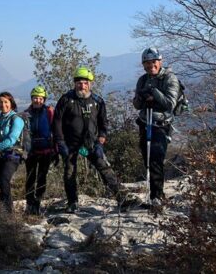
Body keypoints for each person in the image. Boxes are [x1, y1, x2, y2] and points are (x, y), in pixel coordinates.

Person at [54, 67, 130, 213]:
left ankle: (122, 197)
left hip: (91, 143)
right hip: (70, 143)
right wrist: (60, 142)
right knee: (69, 172)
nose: (82, 86)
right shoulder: (66, 100)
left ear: (90, 84)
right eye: (79, 83)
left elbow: (103, 123)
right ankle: (72, 202)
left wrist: (102, 139)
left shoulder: (97, 101)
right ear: (74, 83)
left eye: (85, 83)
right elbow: (57, 122)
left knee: (104, 167)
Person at [133, 48, 180, 209]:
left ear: (160, 61)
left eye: (154, 62)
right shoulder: (142, 79)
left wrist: (154, 92)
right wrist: (142, 97)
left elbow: (170, 103)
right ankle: (156, 194)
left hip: (161, 125)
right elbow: (136, 104)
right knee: (147, 159)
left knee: (156, 159)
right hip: (145, 123)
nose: (150, 65)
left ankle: (156, 197)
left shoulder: (170, 78)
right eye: (147, 62)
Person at [0, 92, 25, 212]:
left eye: (6, 102)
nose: (3, 104)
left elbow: (11, 139)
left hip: (12, 155)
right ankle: (4, 210)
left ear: (11, 103)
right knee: (1, 182)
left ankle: (8, 212)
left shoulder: (16, 119)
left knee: (4, 179)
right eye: (1, 102)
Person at [24, 86, 56, 215]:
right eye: (35, 98)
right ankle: (29, 203)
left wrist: (56, 150)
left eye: (40, 98)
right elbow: (22, 133)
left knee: (42, 178)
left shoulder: (49, 112)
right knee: (30, 178)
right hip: (31, 152)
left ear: (44, 99)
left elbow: (56, 131)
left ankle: (38, 202)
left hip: (46, 151)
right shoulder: (26, 113)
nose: (38, 100)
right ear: (32, 99)